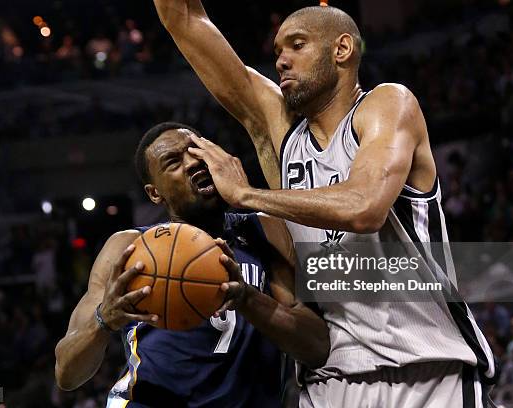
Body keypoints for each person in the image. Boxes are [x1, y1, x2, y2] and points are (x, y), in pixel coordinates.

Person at [153, 1, 497, 407]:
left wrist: (248, 195)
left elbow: (365, 207)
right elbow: (186, 20)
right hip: (331, 381)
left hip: (429, 371)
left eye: (296, 45)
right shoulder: (284, 139)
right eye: (277, 51)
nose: (281, 61)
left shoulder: (387, 105)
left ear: (342, 50)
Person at [54, 122, 329, 407]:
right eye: (173, 162)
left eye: (196, 150)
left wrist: (248, 298)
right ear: (154, 193)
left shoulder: (265, 228)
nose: (193, 162)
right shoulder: (129, 247)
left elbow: (317, 347)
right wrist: (104, 319)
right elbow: (67, 374)